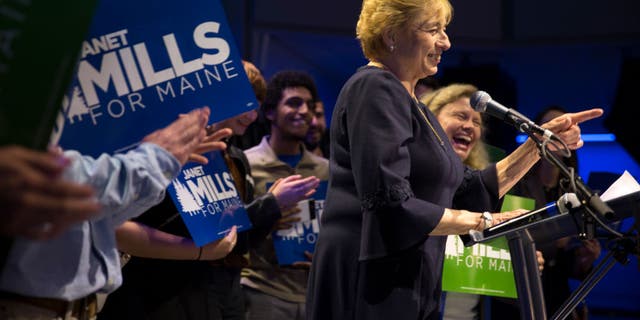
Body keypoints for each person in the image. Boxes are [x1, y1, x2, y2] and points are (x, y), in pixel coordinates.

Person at [305, 0, 603, 319]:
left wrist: (539, 143)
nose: (445, 42)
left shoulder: (417, 108)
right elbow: (390, 201)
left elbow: (469, 188)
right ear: (392, 34)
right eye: (433, 30)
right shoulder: (374, 86)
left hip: (408, 277)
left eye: (443, 30)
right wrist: (482, 222)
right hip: (369, 279)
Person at [99, 63, 319, 320]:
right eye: (244, 102)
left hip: (221, 287)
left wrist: (272, 211)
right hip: (165, 289)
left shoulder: (236, 158)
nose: (251, 113)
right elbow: (190, 225)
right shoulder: (178, 151)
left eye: (256, 104)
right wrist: (270, 204)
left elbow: (236, 238)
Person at [0, 106, 215, 320]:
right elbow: (59, 182)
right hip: (24, 305)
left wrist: (165, 166)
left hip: (80, 307)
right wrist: (153, 161)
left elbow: (103, 215)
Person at [423, 83, 545, 320]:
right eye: (460, 115)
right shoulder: (411, 183)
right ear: (430, 120)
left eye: (477, 122)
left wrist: (522, 262)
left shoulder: (490, 197)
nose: (469, 126)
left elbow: (495, 279)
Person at [493, 105, 602, 320]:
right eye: (551, 127)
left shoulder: (575, 186)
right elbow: (506, 238)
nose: (558, 133)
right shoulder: (515, 184)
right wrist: (556, 240)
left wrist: (585, 259)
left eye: (565, 127)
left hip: (558, 296)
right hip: (517, 297)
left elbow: (568, 264)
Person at [241, 70, 329, 320]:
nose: (303, 111)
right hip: (262, 289)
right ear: (269, 112)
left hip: (313, 294)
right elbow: (230, 230)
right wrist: (267, 218)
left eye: (309, 105)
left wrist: (326, 254)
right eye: (293, 103)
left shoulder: (326, 169)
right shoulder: (245, 163)